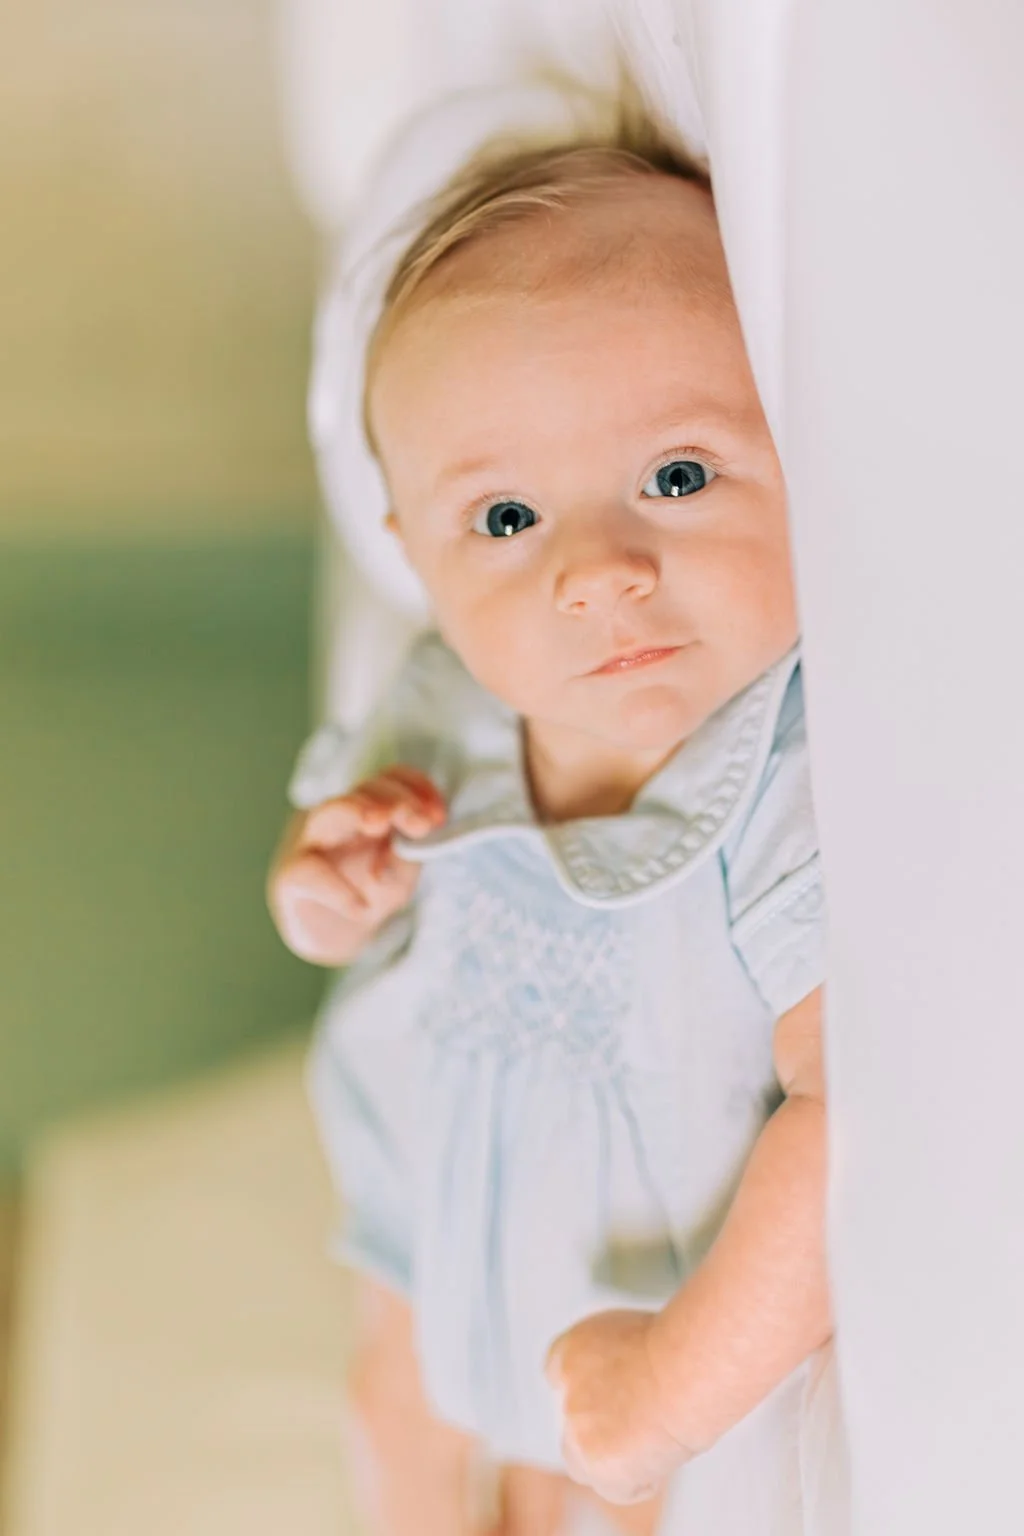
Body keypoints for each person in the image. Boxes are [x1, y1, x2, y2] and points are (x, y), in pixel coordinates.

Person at [269, 99, 829, 1536]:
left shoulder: (785, 768)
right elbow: (331, 903)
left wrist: (677, 1388)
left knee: (575, 1479)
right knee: (400, 1412)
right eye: (507, 521)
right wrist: (326, 884)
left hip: (635, 1260)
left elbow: (849, 1116)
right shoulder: (450, 692)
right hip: (429, 1167)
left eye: (680, 476)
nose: (598, 574)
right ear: (414, 556)